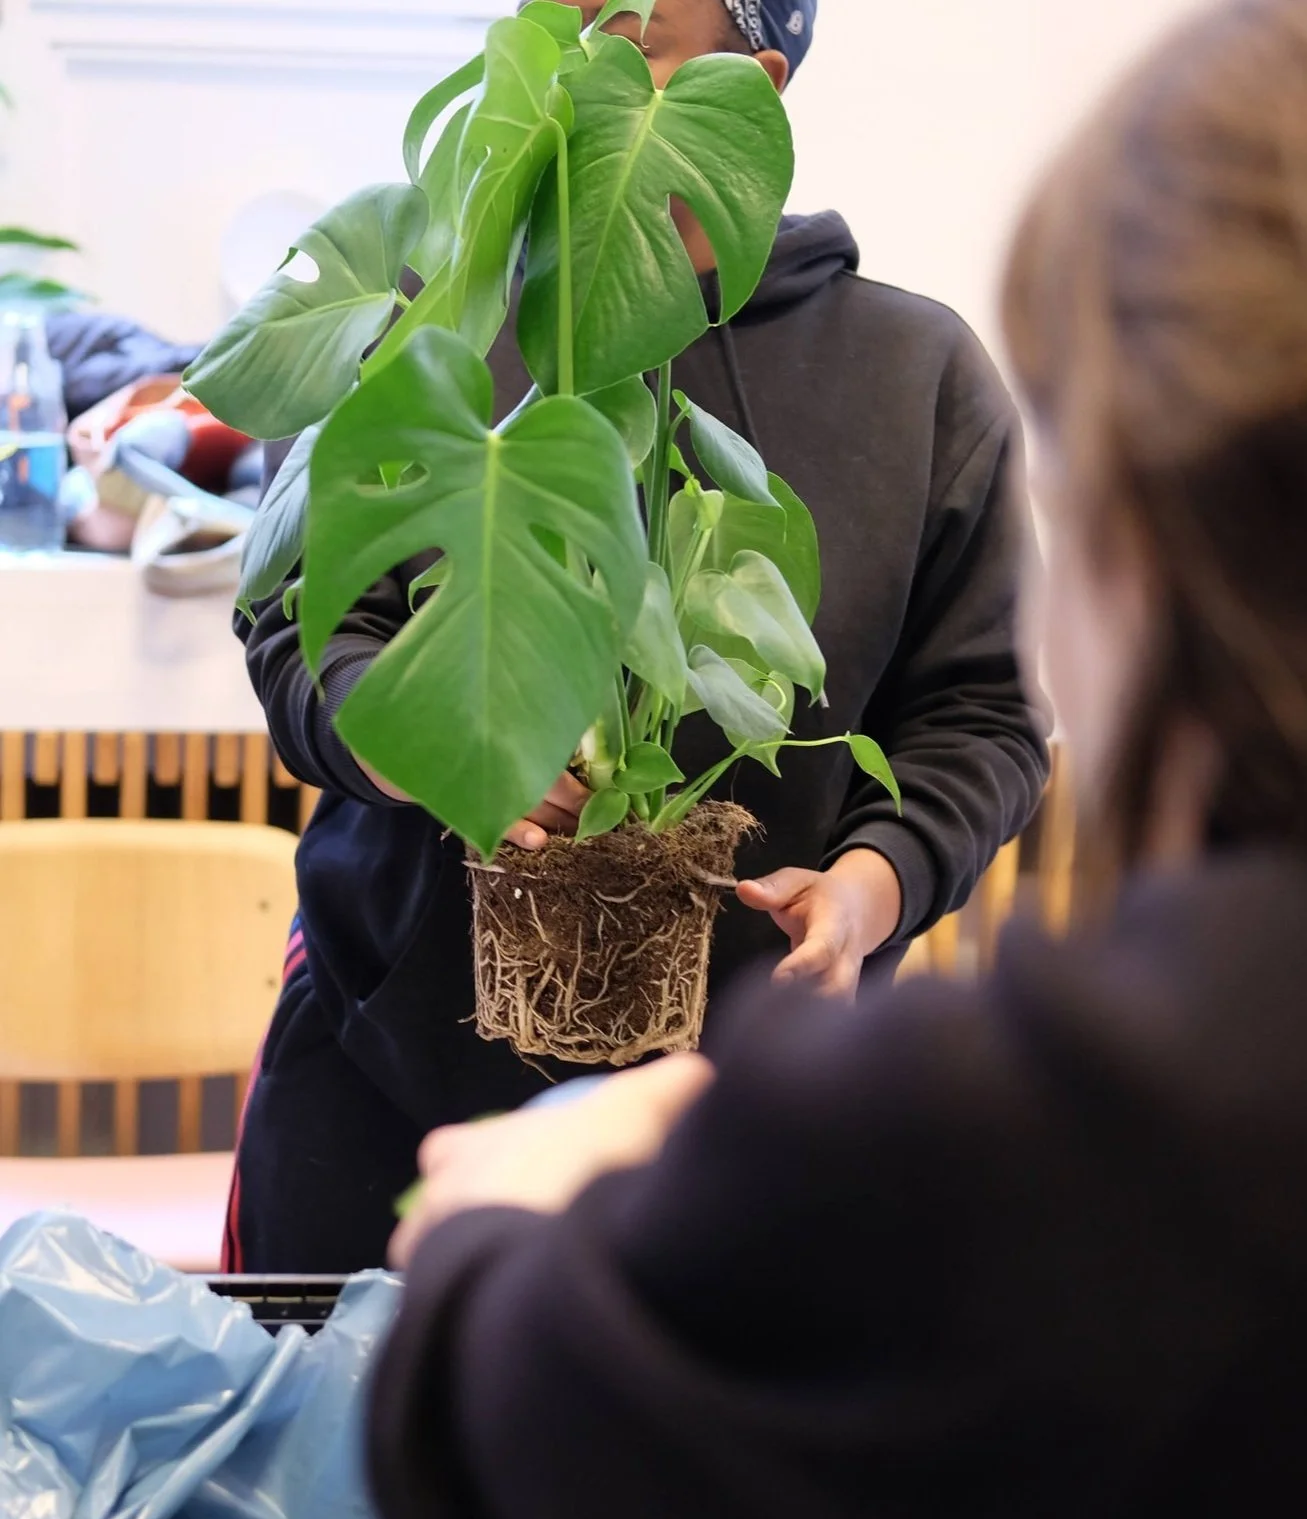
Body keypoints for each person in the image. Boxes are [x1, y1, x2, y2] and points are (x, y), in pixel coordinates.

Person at [369, 1, 1307, 1519]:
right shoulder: (448, 328)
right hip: (391, 1047)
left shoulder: (1067, 1125)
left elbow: (501, 1466)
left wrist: (524, 1199)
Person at [226, 0, 1049, 1274]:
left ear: (753, 89)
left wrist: (869, 888)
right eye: (559, 27)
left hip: (749, 1125)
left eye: (632, 42)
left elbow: (982, 715)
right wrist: (428, 744)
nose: (576, 75)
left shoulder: (915, 372)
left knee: (688, 1473)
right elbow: (299, 628)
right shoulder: (427, 314)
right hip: (384, 1077)